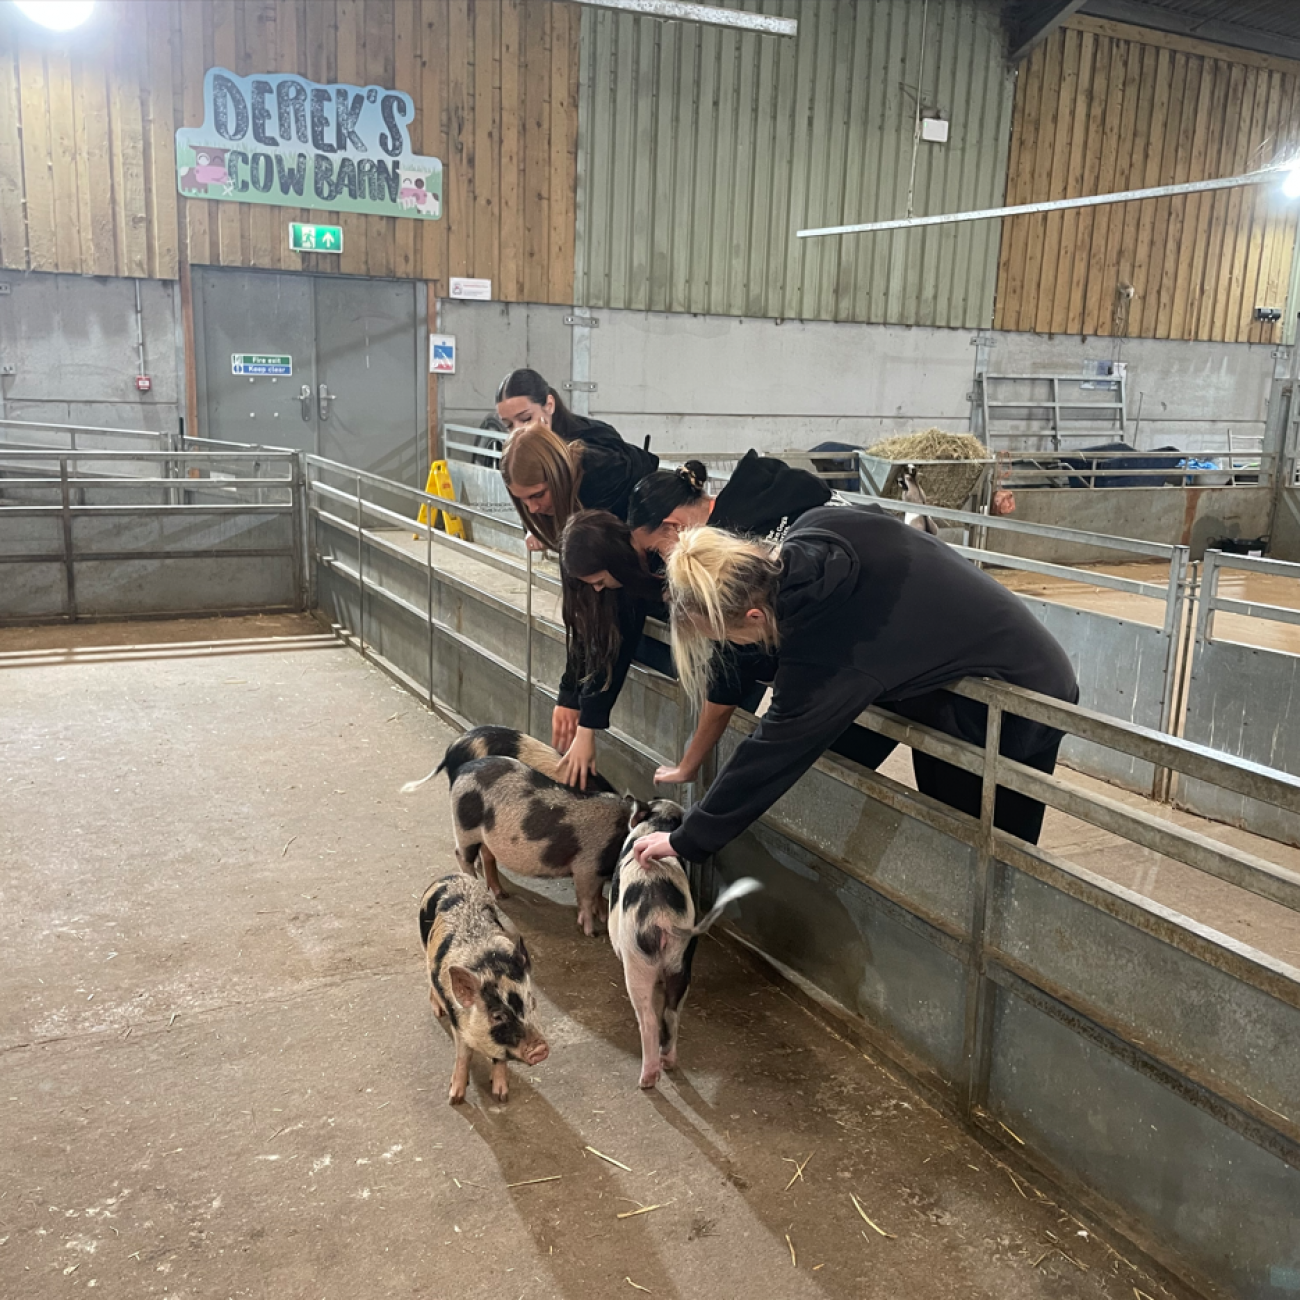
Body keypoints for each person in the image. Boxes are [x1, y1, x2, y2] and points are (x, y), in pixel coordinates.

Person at [630, 505, 1079, 869]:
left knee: (986, 846)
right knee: (950, 820)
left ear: (754, 618)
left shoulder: (833, 656)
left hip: (1012, 705)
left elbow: (774, 751)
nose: (735, 648)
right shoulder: (819, 526)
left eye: (729, 639)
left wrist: (689, 840)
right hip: (988, 667)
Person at [625, 453, 833, 784]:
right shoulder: (758, 499)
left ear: (674, 528)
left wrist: (688, 764)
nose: (663, 564)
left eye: (657, 551)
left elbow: (730, 675)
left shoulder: (725, 560)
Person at [554, 510, 667, 788]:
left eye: (599, 582)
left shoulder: (649, 565)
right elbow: (588, 629)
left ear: (615, 564)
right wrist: (569, 693)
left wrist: (587, 727)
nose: (596, 590)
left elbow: (619, 644)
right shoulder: (612, 577)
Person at [626, 451, 831, 557]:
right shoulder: (760, 488)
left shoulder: (724, 553)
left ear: (674, 527)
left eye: (656, 550)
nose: (664, 560)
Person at [499, 420, 657, 554]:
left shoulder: (604, 480)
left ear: (555, 474)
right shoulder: (554, 500)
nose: (532, 509)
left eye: (538, 495)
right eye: (522, 500)